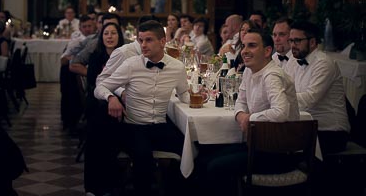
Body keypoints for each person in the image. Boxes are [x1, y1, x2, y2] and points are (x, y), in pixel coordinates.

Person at [197, 28, 299, 196]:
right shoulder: (250, 71)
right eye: (244, 46)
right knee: (203, 158)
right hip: (257, 145)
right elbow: (240, 102)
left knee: (215, 167)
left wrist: (250, 118)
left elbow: (281, 112)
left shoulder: (271, 75)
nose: (244, 51)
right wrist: (241, 115)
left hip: (279, 151)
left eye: (252, 46)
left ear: (267, 51)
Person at [94, 20, 190, 196]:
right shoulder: (131, 65)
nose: (143, 45)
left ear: (162, 42)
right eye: (140, 40)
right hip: (134, 127)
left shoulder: (177, 68)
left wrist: (199, 96)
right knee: (143, 156)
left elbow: (184, 95)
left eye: (148, 40)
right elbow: (100, 86)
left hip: (161, 125)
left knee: (191, 149)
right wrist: (110, 98)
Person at [286, 20, 350, 155]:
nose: (292, 45)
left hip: (331, 132)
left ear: (313, 42)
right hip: (305, 127)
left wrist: (279, 99)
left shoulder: (324, 64)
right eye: (290, 41)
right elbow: (282, 87)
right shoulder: (293, 60)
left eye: (297, 41)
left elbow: (309, 100)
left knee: (279, 144)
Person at [84, 22, 125, 196]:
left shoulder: (126, 57)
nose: (109, 36)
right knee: (98, 129)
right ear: (101, 37)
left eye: (113, 33)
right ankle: (93, 186)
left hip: (120, 102)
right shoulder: (95, 56)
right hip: (98, 100)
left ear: (119, 36)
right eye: (106, 33)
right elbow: (94, 84)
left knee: (105, 130)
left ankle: (108, 183)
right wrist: (110, 96)